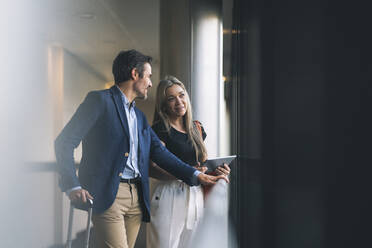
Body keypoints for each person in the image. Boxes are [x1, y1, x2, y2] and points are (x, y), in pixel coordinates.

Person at [54, 50, 228, 248]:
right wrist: (72, 185)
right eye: (149, 76)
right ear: (135, 74)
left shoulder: (138, 116)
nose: (151, 83)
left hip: (137, 197)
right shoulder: (99, 101)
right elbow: (65, 141)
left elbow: (161, 154)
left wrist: (196, 175)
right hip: (109, 195)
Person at [146, 75, 230, 248]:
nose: (179, 101)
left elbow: (202, 165)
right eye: (171, 98)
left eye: (181, 95)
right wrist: (186, 173)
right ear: (164, 105)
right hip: (169, 193)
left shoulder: (196, 128)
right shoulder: (160, 129)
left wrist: (217, 171)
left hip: (195, 194)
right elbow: (151, 168)